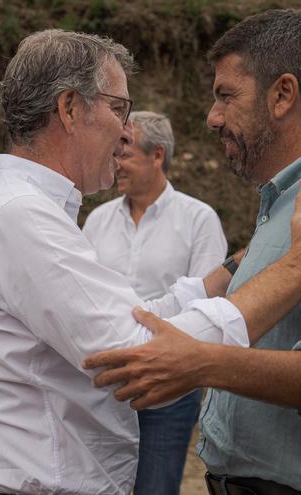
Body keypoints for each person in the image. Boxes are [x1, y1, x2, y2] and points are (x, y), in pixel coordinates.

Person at [0, 28, 301, 495]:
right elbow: (136, 355)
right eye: (119, 108)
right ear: (70, 108)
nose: (127, 131)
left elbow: (135, 319)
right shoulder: (21, 216)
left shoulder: (25, 209)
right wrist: (298, 270)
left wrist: (242, 264)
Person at [85, 9, 301, 495]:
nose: (212, 116)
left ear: (283, 95)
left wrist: (205, 362)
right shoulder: (293, 194)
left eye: (226, 95)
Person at [83, 110, 227, 495]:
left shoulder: (199, 220)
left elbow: (207, 306)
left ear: (157, 155)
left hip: (168, 392)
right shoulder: (96, 220)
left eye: (125, 153)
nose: (115, 163)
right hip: (102, 389)